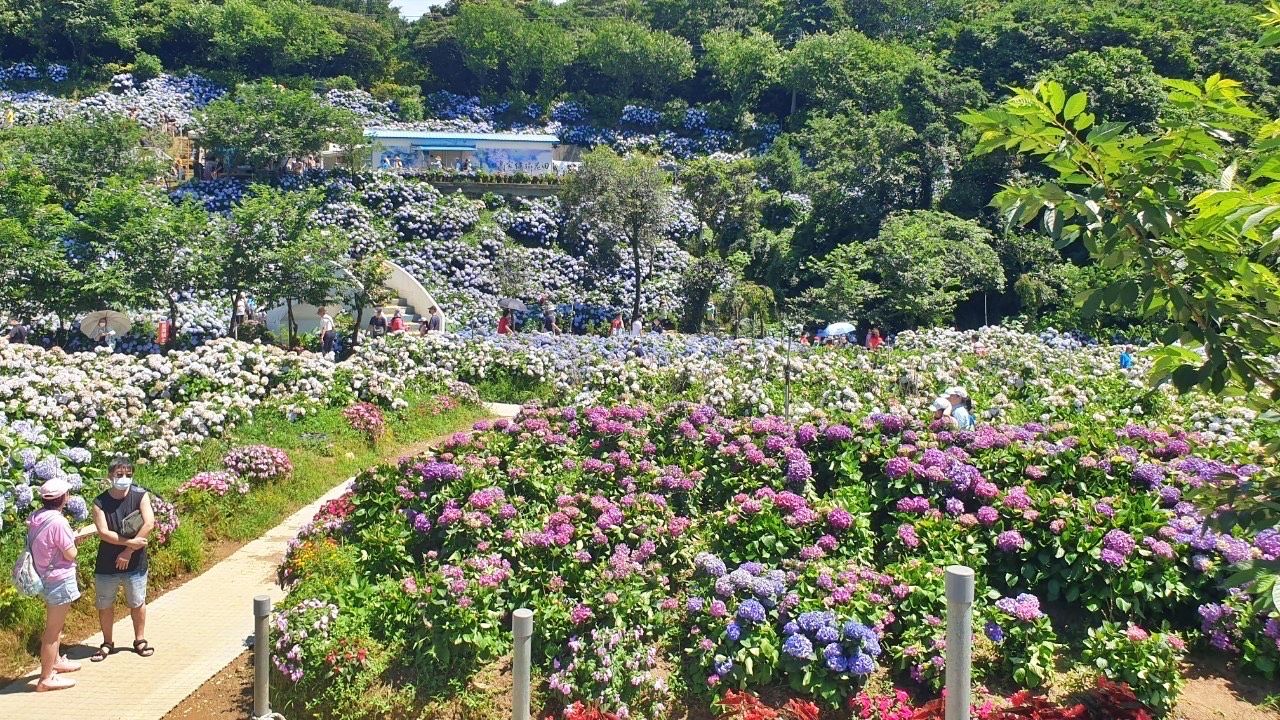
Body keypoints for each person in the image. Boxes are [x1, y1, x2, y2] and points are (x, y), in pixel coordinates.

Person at [90, 456, 155, 663]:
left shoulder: (140, 496)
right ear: (110, 476)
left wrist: (128, 551)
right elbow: (103, 532)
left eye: (128, 474)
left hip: (135, 563)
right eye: (119, 474)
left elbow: (149, 523)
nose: (124, 478)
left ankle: (140, 640)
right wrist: (130, 543)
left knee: (137, 602)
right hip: (106, 564)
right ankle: (107, 642)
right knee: (105, 604)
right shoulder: (100, 502)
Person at [29, 478, 82, 691]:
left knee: (56, 627)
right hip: (60, 580)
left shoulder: (35, 517)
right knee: (53, 631)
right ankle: (46, 678)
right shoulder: (59, 522)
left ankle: (56, 661)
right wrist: (76, 540)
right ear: (64, 498)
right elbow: (71, 554)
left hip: (45, 577)